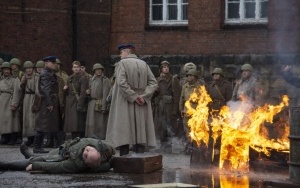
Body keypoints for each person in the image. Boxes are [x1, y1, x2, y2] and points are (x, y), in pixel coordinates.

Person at [106, 44, 158, 156]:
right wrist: (143, 96)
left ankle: (124, 160)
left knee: (124, 132)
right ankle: (139, 159)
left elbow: (121, 83)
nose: (120, 55)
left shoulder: (121, 64)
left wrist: (133, 97)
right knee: (140, 132)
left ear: (126, 52)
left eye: (121, 52)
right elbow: (153, 83)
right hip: (141, 102)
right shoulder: (144, 64)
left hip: (125, 101)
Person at [0, 137, 115, 174]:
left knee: (37, 160)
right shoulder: (104, 147)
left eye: (85, 156)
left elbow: (57, 167)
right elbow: (112, 152)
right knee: (49, 153)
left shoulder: (76, 163)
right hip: (64, 148)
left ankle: (4, 165)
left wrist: (35, 166)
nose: (85, 151)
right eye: (88, 150)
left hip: (63, 156)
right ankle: (30, 155)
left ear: (85, 163)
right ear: (99, 152)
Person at [34, 56, 62, 153]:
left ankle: (58, 145)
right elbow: (46, 89)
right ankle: (37, 147)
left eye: (55, 63)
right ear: (46, 63)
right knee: (43, 124)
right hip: (47, 102)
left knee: (53, 123)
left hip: (51, 100)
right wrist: (50, 103)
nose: (55, 64)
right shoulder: (46, 74)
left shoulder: (49, 73)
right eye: (52, 62)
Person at [152, 60, 181, 151]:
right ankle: (162, 145)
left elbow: (176, 96)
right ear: (161, 69)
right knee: (160, 125)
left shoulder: (173, 80)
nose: (166, 68)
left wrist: (174, 110)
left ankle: (168, 146)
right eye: (164, 67)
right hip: (160, 106)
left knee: (170, 125)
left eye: (167, 67)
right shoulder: (157, 80)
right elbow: (154, 93)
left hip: (170, 106)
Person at [64, 61, 89, 139]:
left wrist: (80, 104)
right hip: (70, 103)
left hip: (78, 102)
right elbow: (68, 92)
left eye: (77, 67)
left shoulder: (83, 78)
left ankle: (79, 139)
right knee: (72, 123)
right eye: (74, 67)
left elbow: (82, 93)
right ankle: (73, 139)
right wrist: (65, 89)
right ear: (72, 68)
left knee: (79, 123)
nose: (76, 69)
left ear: (80, 68)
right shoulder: (70, 78)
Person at [85, 63, 111, 139]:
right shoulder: (91, 79)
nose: (99, 71)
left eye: (100, 70)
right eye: (97, 70)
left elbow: (106, 93)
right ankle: (91, 135)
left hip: (100, 102)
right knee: (91, 122)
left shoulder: (105, 80)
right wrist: (88, 92)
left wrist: (104, 106)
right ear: (94, 71)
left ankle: (101, 136)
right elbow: (90, 88)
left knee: (100, 122)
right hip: (92, 103)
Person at [179, 69, 205, 142]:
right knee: (186, 128)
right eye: (188, 76)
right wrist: (181, 109)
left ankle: (195, 144)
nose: (189, 77)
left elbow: (203, 100)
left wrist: (200, 112)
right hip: (186, 110)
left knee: (195, 128)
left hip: (195, 110)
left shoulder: (199, 87)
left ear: (195, 77)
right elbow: (182, 98)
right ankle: (189, 143)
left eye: (191, 76)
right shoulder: (185, 86)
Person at [0, 62, 21, 145]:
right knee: (3, 120)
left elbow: (17, 92)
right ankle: (5, 137)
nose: (6, 71)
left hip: (10, 100)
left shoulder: (15, 80)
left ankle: (13, 138)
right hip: (2, 101)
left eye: (8, 69)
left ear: (10, 71)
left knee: (12, 120)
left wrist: (14, 103)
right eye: (4, 69)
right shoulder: (1, 80)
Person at [20, 61, 39, 146]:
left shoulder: (36, 77)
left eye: (30, 68)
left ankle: (34, 138)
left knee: (33, 119)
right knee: (26, 118)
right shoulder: (24, 77)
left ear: (33, 69)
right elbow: (21, 89)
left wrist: (36, 102)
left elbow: (38, 90)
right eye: (27, 68)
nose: (29, 70)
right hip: (26, 98)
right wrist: (22, 83)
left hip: (33, 97)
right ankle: (29, 138)